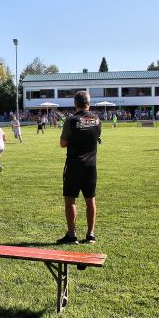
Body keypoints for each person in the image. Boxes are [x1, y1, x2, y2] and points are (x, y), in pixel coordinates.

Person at [58, 91, 101, 245]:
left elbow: (62, 143)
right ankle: (90, 235)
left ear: (75, 104)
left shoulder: (71, 120)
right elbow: (96, 137)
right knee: (90, 199)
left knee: (70, 199)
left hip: (74, 165)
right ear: (89, 103)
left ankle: (71, 235)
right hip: (91, 166)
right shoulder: (97, 120)